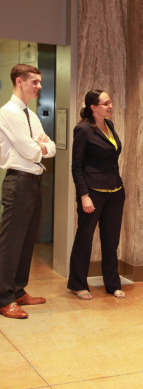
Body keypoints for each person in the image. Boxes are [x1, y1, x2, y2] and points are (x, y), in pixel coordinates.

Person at [0, 64, 56, 319]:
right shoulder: (9, 113)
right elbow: (30, 150)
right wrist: (41, 147)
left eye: (39, 81)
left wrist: (43, 147)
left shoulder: (31, 116)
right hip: (18, 181)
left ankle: (18, 289)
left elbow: (51, 146)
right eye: (34, 81)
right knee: (11, 243)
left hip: (34, 181)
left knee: (27, 239)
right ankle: (4, 297)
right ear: (19, 82)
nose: (39, 86)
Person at [68, 90, 126, 300]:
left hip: (115, 191)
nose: (110, 106)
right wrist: (84, 195)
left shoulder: (109, 125)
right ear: (93, 107)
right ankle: (78, 284)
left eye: (111, 102)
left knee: (111, 239)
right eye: (105, 103)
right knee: (85, 237)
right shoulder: (82, 129)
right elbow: (76, 166)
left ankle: (112, 284)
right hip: (92, 192)